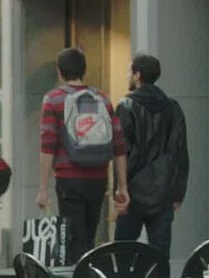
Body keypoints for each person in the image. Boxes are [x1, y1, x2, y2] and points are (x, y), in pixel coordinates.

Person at [36, 47, 129, 263]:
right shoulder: (102, 99)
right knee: (89, 236)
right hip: (98, 179)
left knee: (73, 239)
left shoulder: (53, 100)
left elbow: (47, 144)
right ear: (84, 70)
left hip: (69, 180)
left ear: (59, 71)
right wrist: (122, 186)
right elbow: (119, 145)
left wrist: (43, 188)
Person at [115, 54, 188, 265]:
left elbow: (121, 151)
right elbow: (180, 152)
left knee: (123, 252)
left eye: (130, 71)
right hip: (164, 190)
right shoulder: (173, 107)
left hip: (133, 190)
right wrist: (178, 192)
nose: (128, 75)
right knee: (160, 255)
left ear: (137, 75)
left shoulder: (126, 106)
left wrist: (120, 190)